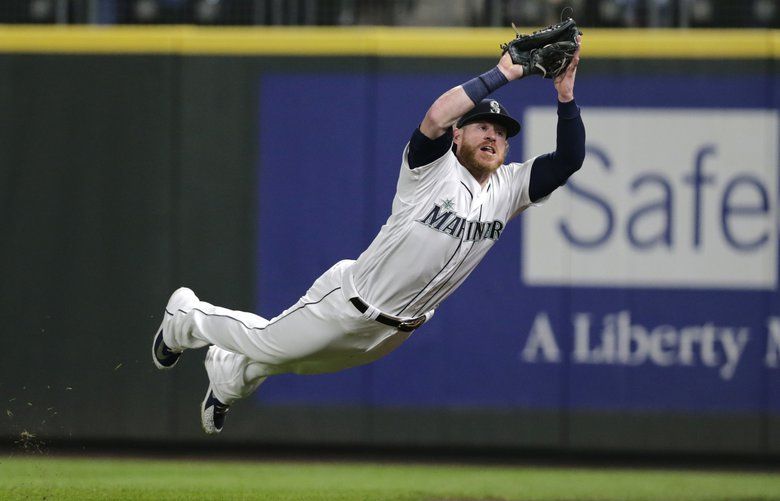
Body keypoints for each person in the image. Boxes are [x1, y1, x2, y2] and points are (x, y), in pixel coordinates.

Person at [152, 35, 585, 435]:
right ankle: (186, 317)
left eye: (502, 133)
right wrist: (505, 74)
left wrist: (564, 94)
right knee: (267, 342)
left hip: (396, 330)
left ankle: (227, 378)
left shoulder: (510, 188)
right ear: (459, 135)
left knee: (294, 363)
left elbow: (569, 159)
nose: (493, 134)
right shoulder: (433, 169)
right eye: (482, 127)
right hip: (349, 301)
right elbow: (435, 116)